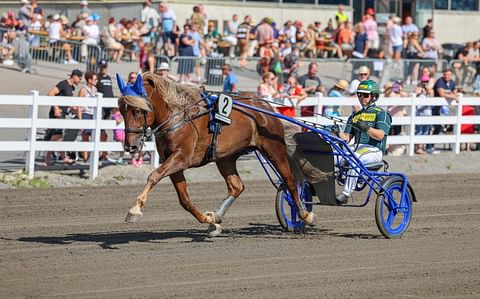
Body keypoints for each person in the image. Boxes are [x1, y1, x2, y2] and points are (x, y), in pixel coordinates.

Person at [335, 80, 392, 204]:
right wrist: (336, 132)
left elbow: (380, 136)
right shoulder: (355, 116)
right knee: (333, 155)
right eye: (359, 95)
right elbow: (346, 138)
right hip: (357, 148)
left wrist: (366, 128)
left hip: (374, 150)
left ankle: (346, 194)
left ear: (374, 96)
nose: (361, 98)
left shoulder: (382, 114)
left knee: (355, 157)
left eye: (365, 95)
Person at [44, 69, 83, 166]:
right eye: (79, 78)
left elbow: (66, 101)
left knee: (56, 136)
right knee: (57, 136)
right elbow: (51, 93)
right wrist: (56, 107)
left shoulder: (71, 88)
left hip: (63, 113)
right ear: (74, 76)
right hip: (57, 113)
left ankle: (50, 159)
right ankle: (58, 158)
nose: (80, 80)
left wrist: (73, 108)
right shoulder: (63, 84)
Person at [429, 69, 459, 154]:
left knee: (440, 128)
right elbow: (441, 94)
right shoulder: (440, 82)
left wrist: (454, 95)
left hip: (444, 109)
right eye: (445, 74)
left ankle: (431, 146)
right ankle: (429, 146)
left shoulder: (452, 82)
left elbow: (455, 92)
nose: (447, 76)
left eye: (448, 75)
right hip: (435, 108)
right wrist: (453, 97)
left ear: (451, 75)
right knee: (434, 127)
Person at [96, 60, 114, 161]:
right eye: (102, 67)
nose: (103, 68)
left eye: (105, 66)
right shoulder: (97, 77)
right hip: (101, 107)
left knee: (107, 131)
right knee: (101, 131)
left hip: (109, 107)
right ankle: (102, 153)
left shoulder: (108, 77)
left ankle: (104, 154)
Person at [78, 71, 98, 162]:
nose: (96, 81)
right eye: (95, 79)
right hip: (85, 113)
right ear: (89, 80)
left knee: (94, 136)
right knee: (85, 136)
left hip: (93, 113)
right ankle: (85, 158)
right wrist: (80, 119)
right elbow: (79, 106)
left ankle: (91, 156)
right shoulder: (83, 90)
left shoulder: (95, 90)